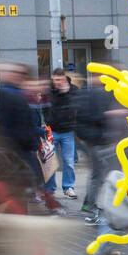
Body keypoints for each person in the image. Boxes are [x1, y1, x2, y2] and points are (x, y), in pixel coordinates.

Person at [0, 61, 47, 205]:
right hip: (18, 151)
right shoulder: (13, 96)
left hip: (13, 150)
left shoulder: (7, 93)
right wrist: (33, 142)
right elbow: (23, 127)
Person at [76, 65, 118, 224]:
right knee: (102, 175)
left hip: (95, 141)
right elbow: (101, 117)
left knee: (97, 175)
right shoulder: (102, 93)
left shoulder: (87, 93)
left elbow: (81, 118)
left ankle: (91, 206)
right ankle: (96, 208)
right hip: (103, 141)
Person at [43, 67, 79, 199]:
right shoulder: (49, 90)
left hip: (68, 131)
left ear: (64, 78)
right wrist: (46, 122)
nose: (56, 82)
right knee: (50, 162)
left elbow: (76, 106)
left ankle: (68, 187)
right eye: (54, 80)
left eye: (58, 80)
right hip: (52, 130)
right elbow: (46, 106)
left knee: (69, 161)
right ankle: (50, 189)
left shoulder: (73, 90)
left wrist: (66, 93)